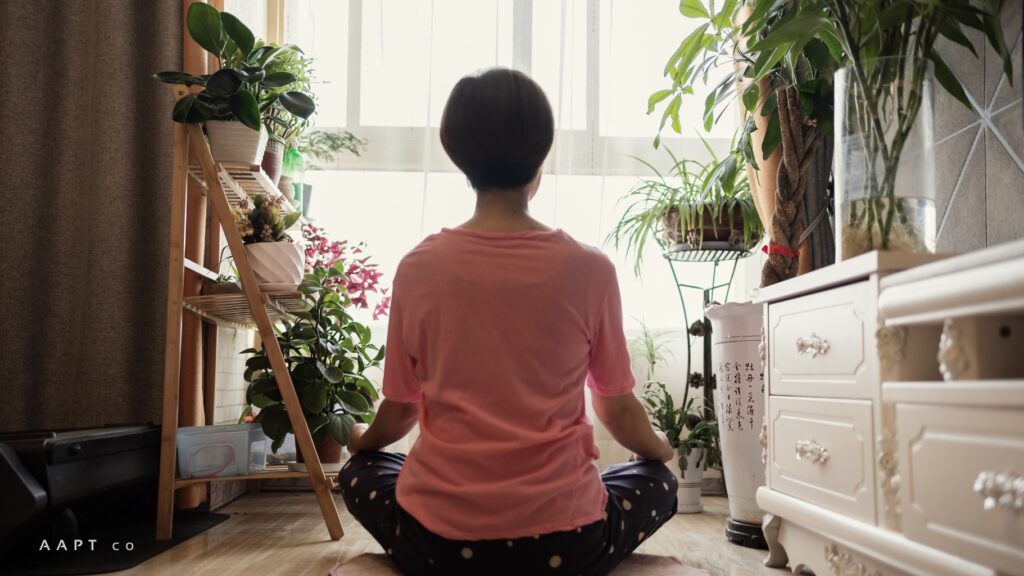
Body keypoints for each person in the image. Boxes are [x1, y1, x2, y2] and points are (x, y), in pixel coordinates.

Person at [339, 67, 677, 576]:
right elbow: (617, 409)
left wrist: (362, 440)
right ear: (542, 154)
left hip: (438, 545)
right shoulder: (590, 269)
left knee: (361, 472)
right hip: (568, 543)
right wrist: (661, 451)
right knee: (659, 481)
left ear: (457, 154)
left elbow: (403, 410)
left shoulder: (418, 268)